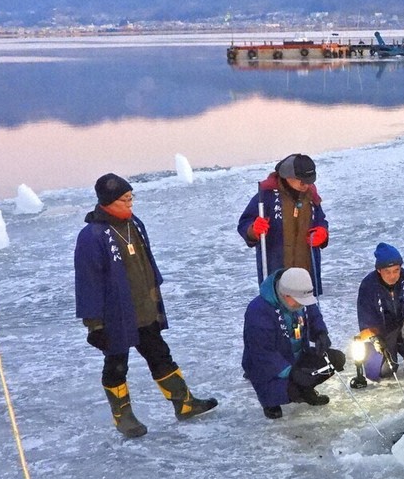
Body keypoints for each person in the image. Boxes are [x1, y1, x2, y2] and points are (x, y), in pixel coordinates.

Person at [75, 173, 217, 438]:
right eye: (124, 200)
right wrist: (94, 324)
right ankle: (123, 417)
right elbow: (87, 282)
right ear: (107, 202)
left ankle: (184, 403)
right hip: (115, 314)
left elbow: (147, 263)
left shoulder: (134, 223)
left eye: (132, 198)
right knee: (117, 364)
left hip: (143, 308)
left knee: (160, 354)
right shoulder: (91, 236)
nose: (130, 204)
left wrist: (155, 297)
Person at [242, 267, 345, 419]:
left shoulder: (299, 297)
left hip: (297, 355)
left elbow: (313, 313)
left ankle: (306, 390)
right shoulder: (258, 312)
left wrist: (320, 333)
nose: (302, 305)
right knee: (292, 387)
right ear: (285, 294)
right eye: (299, 302)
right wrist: (290, 372)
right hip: (269, 370)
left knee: (336, 359)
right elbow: (263, 354)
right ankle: (271, 401)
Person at [237, 153, 328, 295]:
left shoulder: (311, 197)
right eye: (302, 182)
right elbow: (244, 223)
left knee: (309, 315)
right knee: (277, 314)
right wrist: (253, 230)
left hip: (306, 273)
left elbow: (321, 220)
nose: (306, 185)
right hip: (276, 274)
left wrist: (323, 233)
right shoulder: (266, 196)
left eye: (309, 181)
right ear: (287, 176)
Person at [356, 243, 404, 382]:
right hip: (382, 333)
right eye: (388, 272)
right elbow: (365, 318)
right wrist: (374, 337)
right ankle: (386, 362)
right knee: (383, 372)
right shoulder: (368, 285)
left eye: (396, 270)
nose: (393, 276)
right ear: (379, 270)